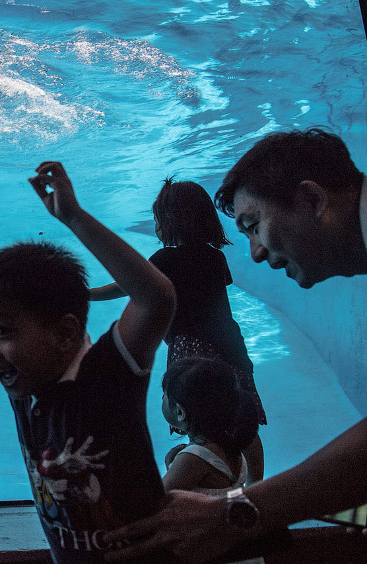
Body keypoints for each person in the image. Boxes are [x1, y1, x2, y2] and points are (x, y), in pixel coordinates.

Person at [105, 128, 367, 562]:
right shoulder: (208, 258)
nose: (257, 253)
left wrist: (240, 511)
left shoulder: (173, 261)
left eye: (254, 225)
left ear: (312, 200)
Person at [0, 163, 177, 563]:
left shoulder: (105, 375)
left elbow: (156, 297)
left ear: (65, 334)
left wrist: (72, 216)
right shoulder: (25, 384)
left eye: (1, 330)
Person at [90, 179, 265, 480]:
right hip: (231, 347)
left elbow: (128, 285)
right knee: (239, 413)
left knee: (197, 416)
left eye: (158, 220)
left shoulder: (165, 260)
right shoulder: (215, 257)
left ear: (173, 221)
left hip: (191, 350)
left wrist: (90, 293)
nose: (157, 227)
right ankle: (253, 483)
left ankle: (198, 475)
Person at [160, 357, 258, 494]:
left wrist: (171, 465)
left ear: (180, 412)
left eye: (164, 395)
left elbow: (159, 500)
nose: (163, 398)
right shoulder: (232, 445)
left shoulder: (193, 458)